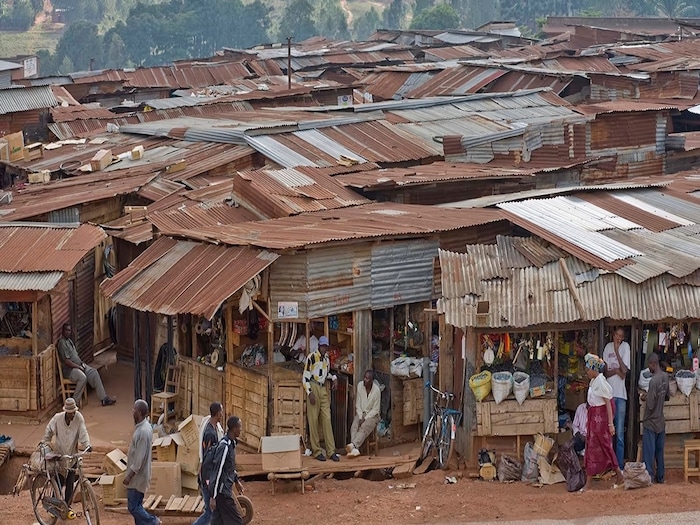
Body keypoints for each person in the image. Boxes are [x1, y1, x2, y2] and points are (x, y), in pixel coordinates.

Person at [581, 353, 623, 492]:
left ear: (594, 369)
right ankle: (589, 482)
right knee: (592, 449)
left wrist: (610, 424)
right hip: (594, 420)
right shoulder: (594, 382)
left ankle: (619, 475)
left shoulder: (601, 383)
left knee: (606, 447)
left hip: (601, 421)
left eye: (588, 369)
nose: (587, 371)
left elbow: (609, 404)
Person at [40, 397, 91, 503]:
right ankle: (54, 506)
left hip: (72, 456)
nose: (73, 414)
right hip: (60, 456)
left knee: (70, 483)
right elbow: (49, 430)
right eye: (70, 413)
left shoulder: (78, 418)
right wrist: (45, 443)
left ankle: (67, 507)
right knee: (59, 483)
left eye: (74, 412)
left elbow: (83, 432)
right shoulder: (57, 419)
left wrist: (87, 445)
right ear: (66, 412)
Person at [57, 323, 116, 407]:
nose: (67, 332)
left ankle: (104, 399)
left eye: (69, 330)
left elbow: (75, 357)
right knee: (82, 378)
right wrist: (78, 367)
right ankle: (73, 403)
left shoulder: (69, 341)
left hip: (79, 366)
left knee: (94, 372)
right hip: (70, 370)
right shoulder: (62, 343)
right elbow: (67, 361)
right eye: (66, 330)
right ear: (62, 331)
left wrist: (81, 365)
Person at [303, 335, 340, 462]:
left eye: (326, 347)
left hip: (322, 387)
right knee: (313, 420)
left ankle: (331, 451)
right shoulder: (311, 357)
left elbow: (325, 373)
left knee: (327, 419)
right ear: (319, 346)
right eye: (323, 346)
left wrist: (334, 378)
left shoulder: (326, 359)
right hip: (313, 386)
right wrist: (309, 392)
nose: (324, 348)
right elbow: (305, 377)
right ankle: (317, 451)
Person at [123, 399, 161, 525]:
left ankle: (153, 521)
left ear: (138, 412)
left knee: (133, 507)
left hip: (137, 477)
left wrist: (129, 476)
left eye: (134, 410)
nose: (132, 412)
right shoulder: (144, 427)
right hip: (140, 475)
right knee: (138, 505)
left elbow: (139, 460)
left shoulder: (143, 431)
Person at [193, 402, 224, 525]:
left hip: (207, 476)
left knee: (211, 513)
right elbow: (208, 461)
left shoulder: (212, 426)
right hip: (207, 476)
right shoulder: (210, 434)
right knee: (209, 513)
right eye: (221, 412)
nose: (222, 414)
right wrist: (208, 482)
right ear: (217, 414)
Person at [602, 327, 630, 468]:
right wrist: (617, 371)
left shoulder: (625, 347)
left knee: (619, 434)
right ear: (613, 335)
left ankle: (619, 466)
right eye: (616, 335)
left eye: (621, 336)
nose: (618, 338)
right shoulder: (607, 347)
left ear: (623, 338)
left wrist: (617, 352)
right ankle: (609, 463)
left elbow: (624, 371)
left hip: (621, 395)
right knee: (608, 432)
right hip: (609, 397)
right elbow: (605, 372)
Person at [210, 416, 244, 525]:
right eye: (240, 427)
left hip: (223, 490)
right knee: (236, 521)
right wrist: (213, 496)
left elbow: (229, 468)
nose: (241, 429)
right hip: (222, 492)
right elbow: (217, 471)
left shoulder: (231, 444)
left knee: (218, 522)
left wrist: (236, 481)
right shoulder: (224, 446)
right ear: (234, 429)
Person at [641, 353, 669, 484]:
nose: (649, 367)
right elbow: (667, 396)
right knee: (659, 452)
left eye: (649, 365)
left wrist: (645, 397)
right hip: (660, 421)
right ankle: (661, 477)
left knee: (649, 453)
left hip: (650, 422)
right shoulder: (665, 377)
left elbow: (651, 405)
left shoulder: (654, 381)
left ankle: (650, 477)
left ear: (652, 363)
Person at [346, 369, 381, 457]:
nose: (365, 380)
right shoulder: (360, 386)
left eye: (367, 378)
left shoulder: (376, 391)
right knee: (354, 425)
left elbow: (375, 410)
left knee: (364, 427)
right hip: (361, 412)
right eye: (364, 377)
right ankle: (355, 449)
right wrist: (361, 416)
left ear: (372, 380)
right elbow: (358, 404)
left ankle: (353, 445)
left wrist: (365, 418)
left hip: (373, 416)